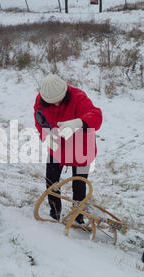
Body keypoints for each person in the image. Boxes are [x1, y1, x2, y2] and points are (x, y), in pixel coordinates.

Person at [33, 74, 102, 224]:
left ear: (65, 92)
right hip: (56, 147)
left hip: (82, 148)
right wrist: (46, 135)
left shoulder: (79, 97)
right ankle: (54, 213)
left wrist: (79, 122)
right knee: (51, 182)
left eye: (59, 100)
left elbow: (97, 117)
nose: (57, 104)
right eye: (52, 102)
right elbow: (40, 120)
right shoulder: (41, 99)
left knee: (79, 185)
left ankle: (78, 217)